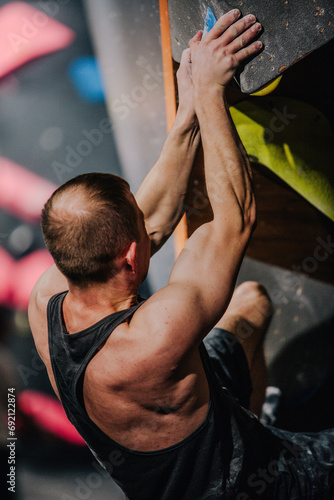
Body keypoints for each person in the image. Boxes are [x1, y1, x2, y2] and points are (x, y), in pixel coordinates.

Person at [28, 10, 334, 500]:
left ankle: (251, 416)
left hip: (174, 416)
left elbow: (152, 218)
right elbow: (236, 217)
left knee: (250, 304)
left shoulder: (48, 295)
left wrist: (189, 107)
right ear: (130, 260)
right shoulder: (155, 335)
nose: (149, 223)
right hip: (236, 486)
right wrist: (213, 93)